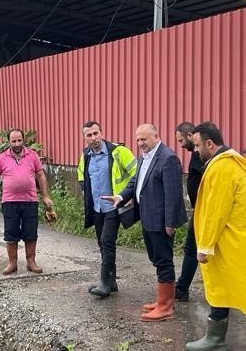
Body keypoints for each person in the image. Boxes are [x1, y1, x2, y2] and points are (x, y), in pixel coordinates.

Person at [184, 122, 246, 351]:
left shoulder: (222, 168)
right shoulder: (233, 162)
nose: (196, 150)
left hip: (226, 239)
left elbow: (215, 211)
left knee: (220, 287)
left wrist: (205, 245)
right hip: (239, 236)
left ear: (210, 143)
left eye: (198, 145)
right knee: (236, 285)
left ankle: (215, 338)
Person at [104, 123, 186, 321]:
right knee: (156, 259)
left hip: (161, 222)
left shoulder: (168, 158)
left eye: (144, 139)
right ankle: (162, 300)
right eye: (138, 139)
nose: (140, 143)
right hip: (148, 218)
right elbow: (135, 182)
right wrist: (120, 197)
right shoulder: (144, 157)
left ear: (156, 136)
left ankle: (166, 307)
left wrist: (170, 223)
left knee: (164, 261)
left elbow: (174, 195)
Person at [77, 121, 137, 298]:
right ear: (85, 137)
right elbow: (81, 175)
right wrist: (85, 192)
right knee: (101, 243)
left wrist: (128, 195)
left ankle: (104, 282)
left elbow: (137, 173)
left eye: (96, 133)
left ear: (101, 133)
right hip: (97, 207)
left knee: (107, 241)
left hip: (114, 206)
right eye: (89, 135)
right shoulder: (86, 155)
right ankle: (111, 281)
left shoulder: (118, 152)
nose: (94, 138)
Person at [0, 129, 54, 275]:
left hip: (30, 201)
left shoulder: (32, 156)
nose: (17, 144)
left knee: (31, 233)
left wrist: (46, 196)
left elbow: (41, 176)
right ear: (8, 142)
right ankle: (12, 263)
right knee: (11, 234)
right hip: (9, 202)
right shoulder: (2, 158)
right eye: (14, 141)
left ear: (23, 140)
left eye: (19, 140)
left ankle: (31, 262)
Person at [174, 122, 207, 302]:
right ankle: (182, 287)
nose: (181, 145)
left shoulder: (201, 155)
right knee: (194, 249)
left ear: (189, 135)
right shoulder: (197, 154)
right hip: (199, 209)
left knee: (192, 248)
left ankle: (182, 288)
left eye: (181, 140)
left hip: (204, 211)